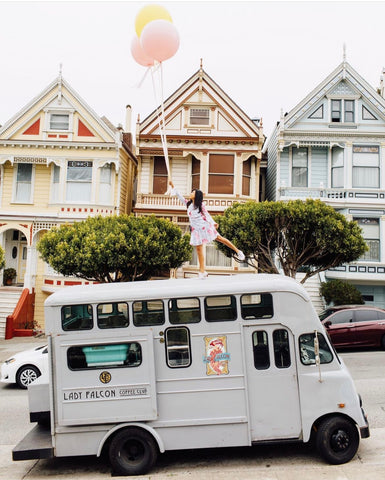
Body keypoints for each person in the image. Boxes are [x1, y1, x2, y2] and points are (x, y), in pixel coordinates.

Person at [169, 181, 245, 279]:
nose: (191, 193)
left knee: (220, 239)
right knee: (199, 250)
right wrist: (172, 186)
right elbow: (179, 196)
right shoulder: (188, 204)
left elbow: (207, 214)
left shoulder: (200, 205)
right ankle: (202, 271)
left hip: (204, 227)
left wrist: (213, 223)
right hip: (196, 231)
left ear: (197, 196)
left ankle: (238, 251)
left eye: (193, 192)